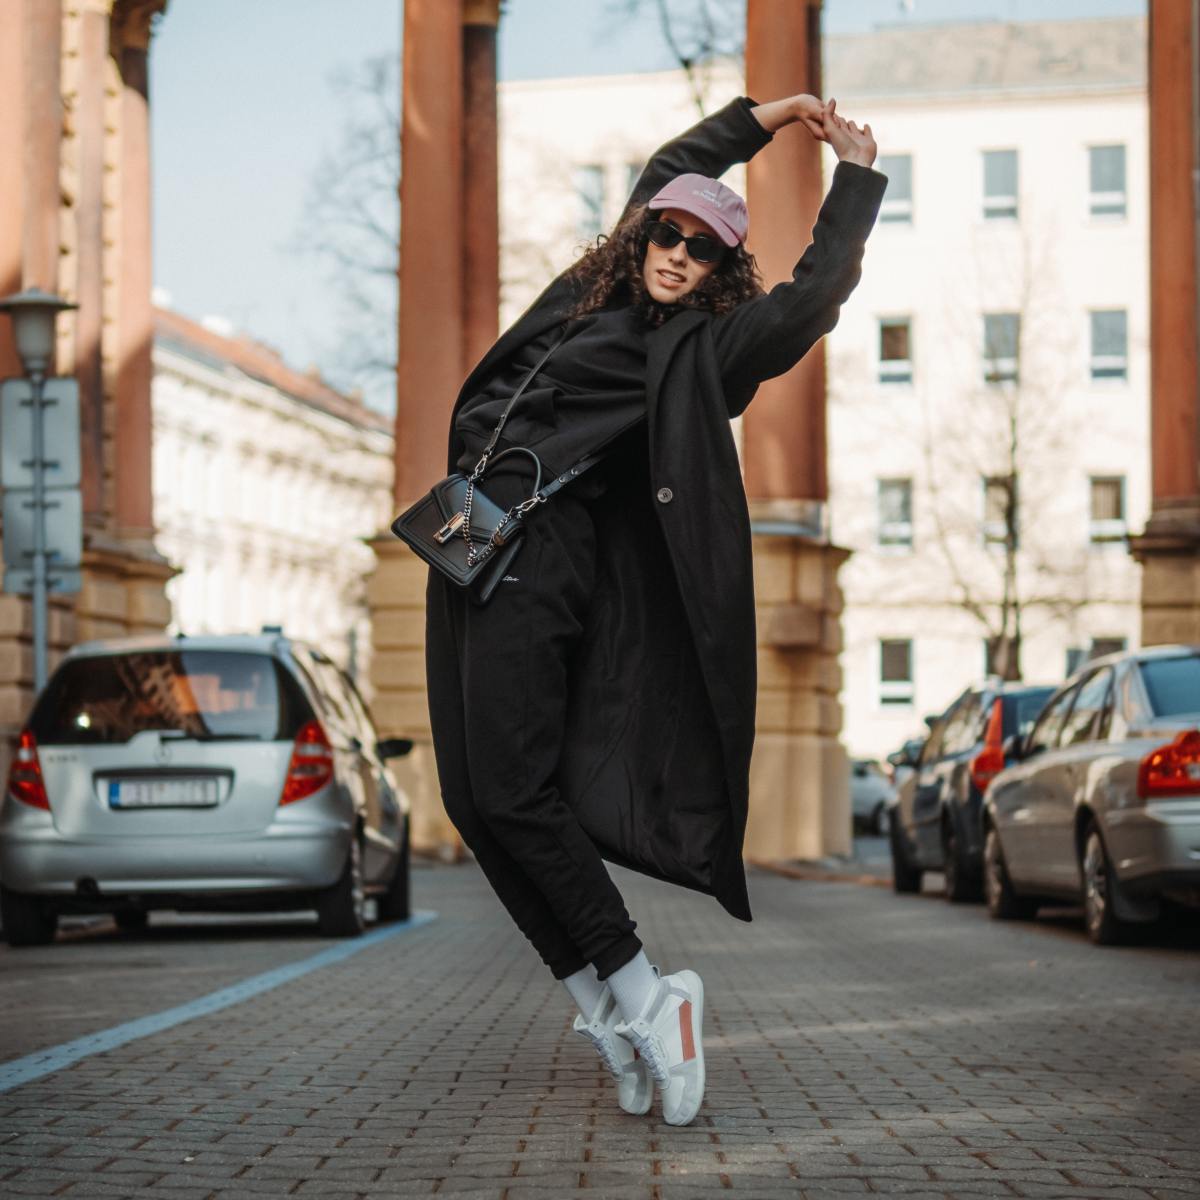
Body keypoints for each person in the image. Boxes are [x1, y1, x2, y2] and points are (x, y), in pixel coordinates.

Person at [424, 92, 885, 1126]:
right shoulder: (587, 295)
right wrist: (768, 115)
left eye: (702, 248)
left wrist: (853, 179)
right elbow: (678, 159)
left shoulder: (697, 352)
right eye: (667, 235)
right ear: (642, 235)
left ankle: (648, 995)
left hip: (542, 556)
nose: (678, 254)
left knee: (516, 791)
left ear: (722, 269)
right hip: (464, 544)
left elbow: (812, 299)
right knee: (471, 799)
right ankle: (605, 1010)